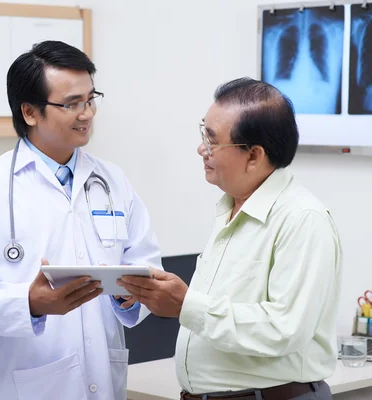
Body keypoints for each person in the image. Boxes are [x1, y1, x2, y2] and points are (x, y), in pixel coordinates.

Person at [0, 40, 162, 400]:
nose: (86, 113)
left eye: (90, 99)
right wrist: (30, 302)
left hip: (103, 380)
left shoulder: (113, 181)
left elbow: (146, 264)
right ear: (30, 112)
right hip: (27, 386)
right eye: (72, 104)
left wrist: (129, 296)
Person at [118, 78, 342, 400]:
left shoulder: (303, 219)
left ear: (253, 156)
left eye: (211, 140)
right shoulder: (231, 207)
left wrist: (185, 304)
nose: (201, 149)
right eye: (202, 133)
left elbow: (284, 329)